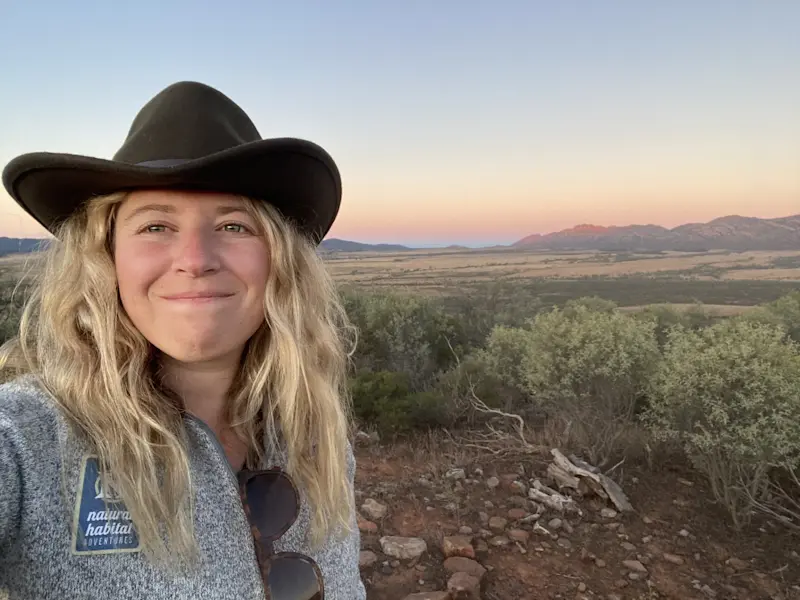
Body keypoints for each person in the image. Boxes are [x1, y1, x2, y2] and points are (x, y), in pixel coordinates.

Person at [0, 81, 366, 599]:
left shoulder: (313, 437)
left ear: (279, 261)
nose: (195, 259)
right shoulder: (28, 440)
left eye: (235, 226)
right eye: (155, 226)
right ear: (107, 257)